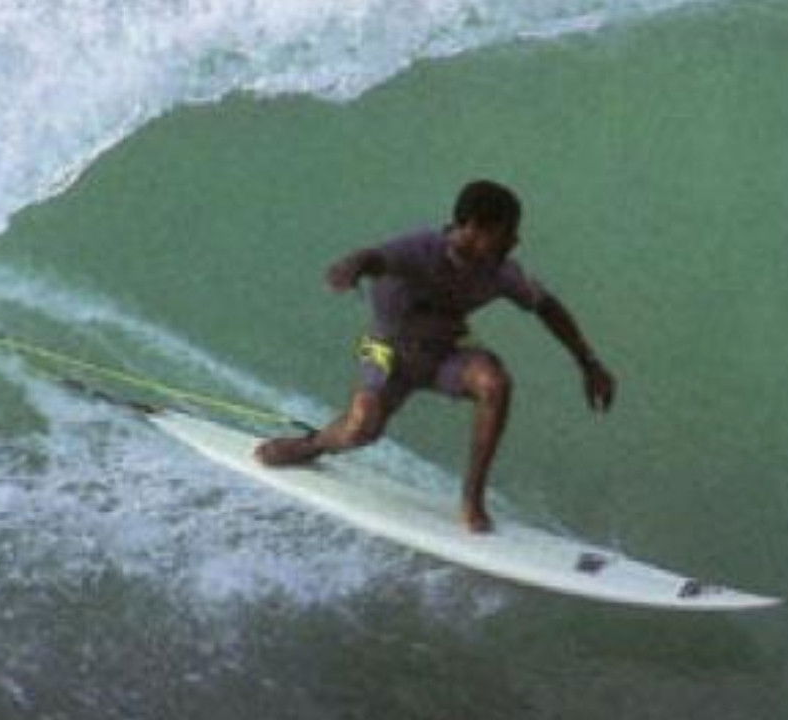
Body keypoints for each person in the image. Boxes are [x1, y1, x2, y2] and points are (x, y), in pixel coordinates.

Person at [255, 180, 616, 533]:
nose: (515, 241)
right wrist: (349, 267)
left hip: (446, 354)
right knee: (361, 428)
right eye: (507, 232)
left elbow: (548, 307)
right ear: (475, 227)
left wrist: (590, 363)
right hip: (385, 351)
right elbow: (374, 257)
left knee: (495, 383)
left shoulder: (502, 272)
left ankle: (472, 499)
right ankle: (312, 446)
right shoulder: (420, 248)